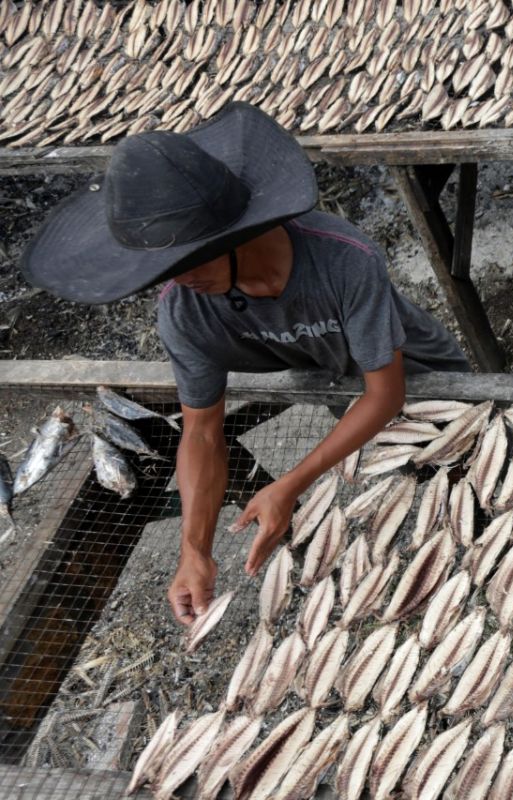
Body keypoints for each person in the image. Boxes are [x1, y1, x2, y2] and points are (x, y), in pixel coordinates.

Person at [20, 103, 470, 625]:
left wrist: (289, 484)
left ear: (235, 235)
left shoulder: (344, 258)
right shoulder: (184, 310)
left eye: (192, 259)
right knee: (401, 468)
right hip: (337, 382)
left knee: (459, 461)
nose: (180, 278)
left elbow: (386, 395)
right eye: (164, 269)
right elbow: (203, 433)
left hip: (418, 372)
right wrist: (194, 547)